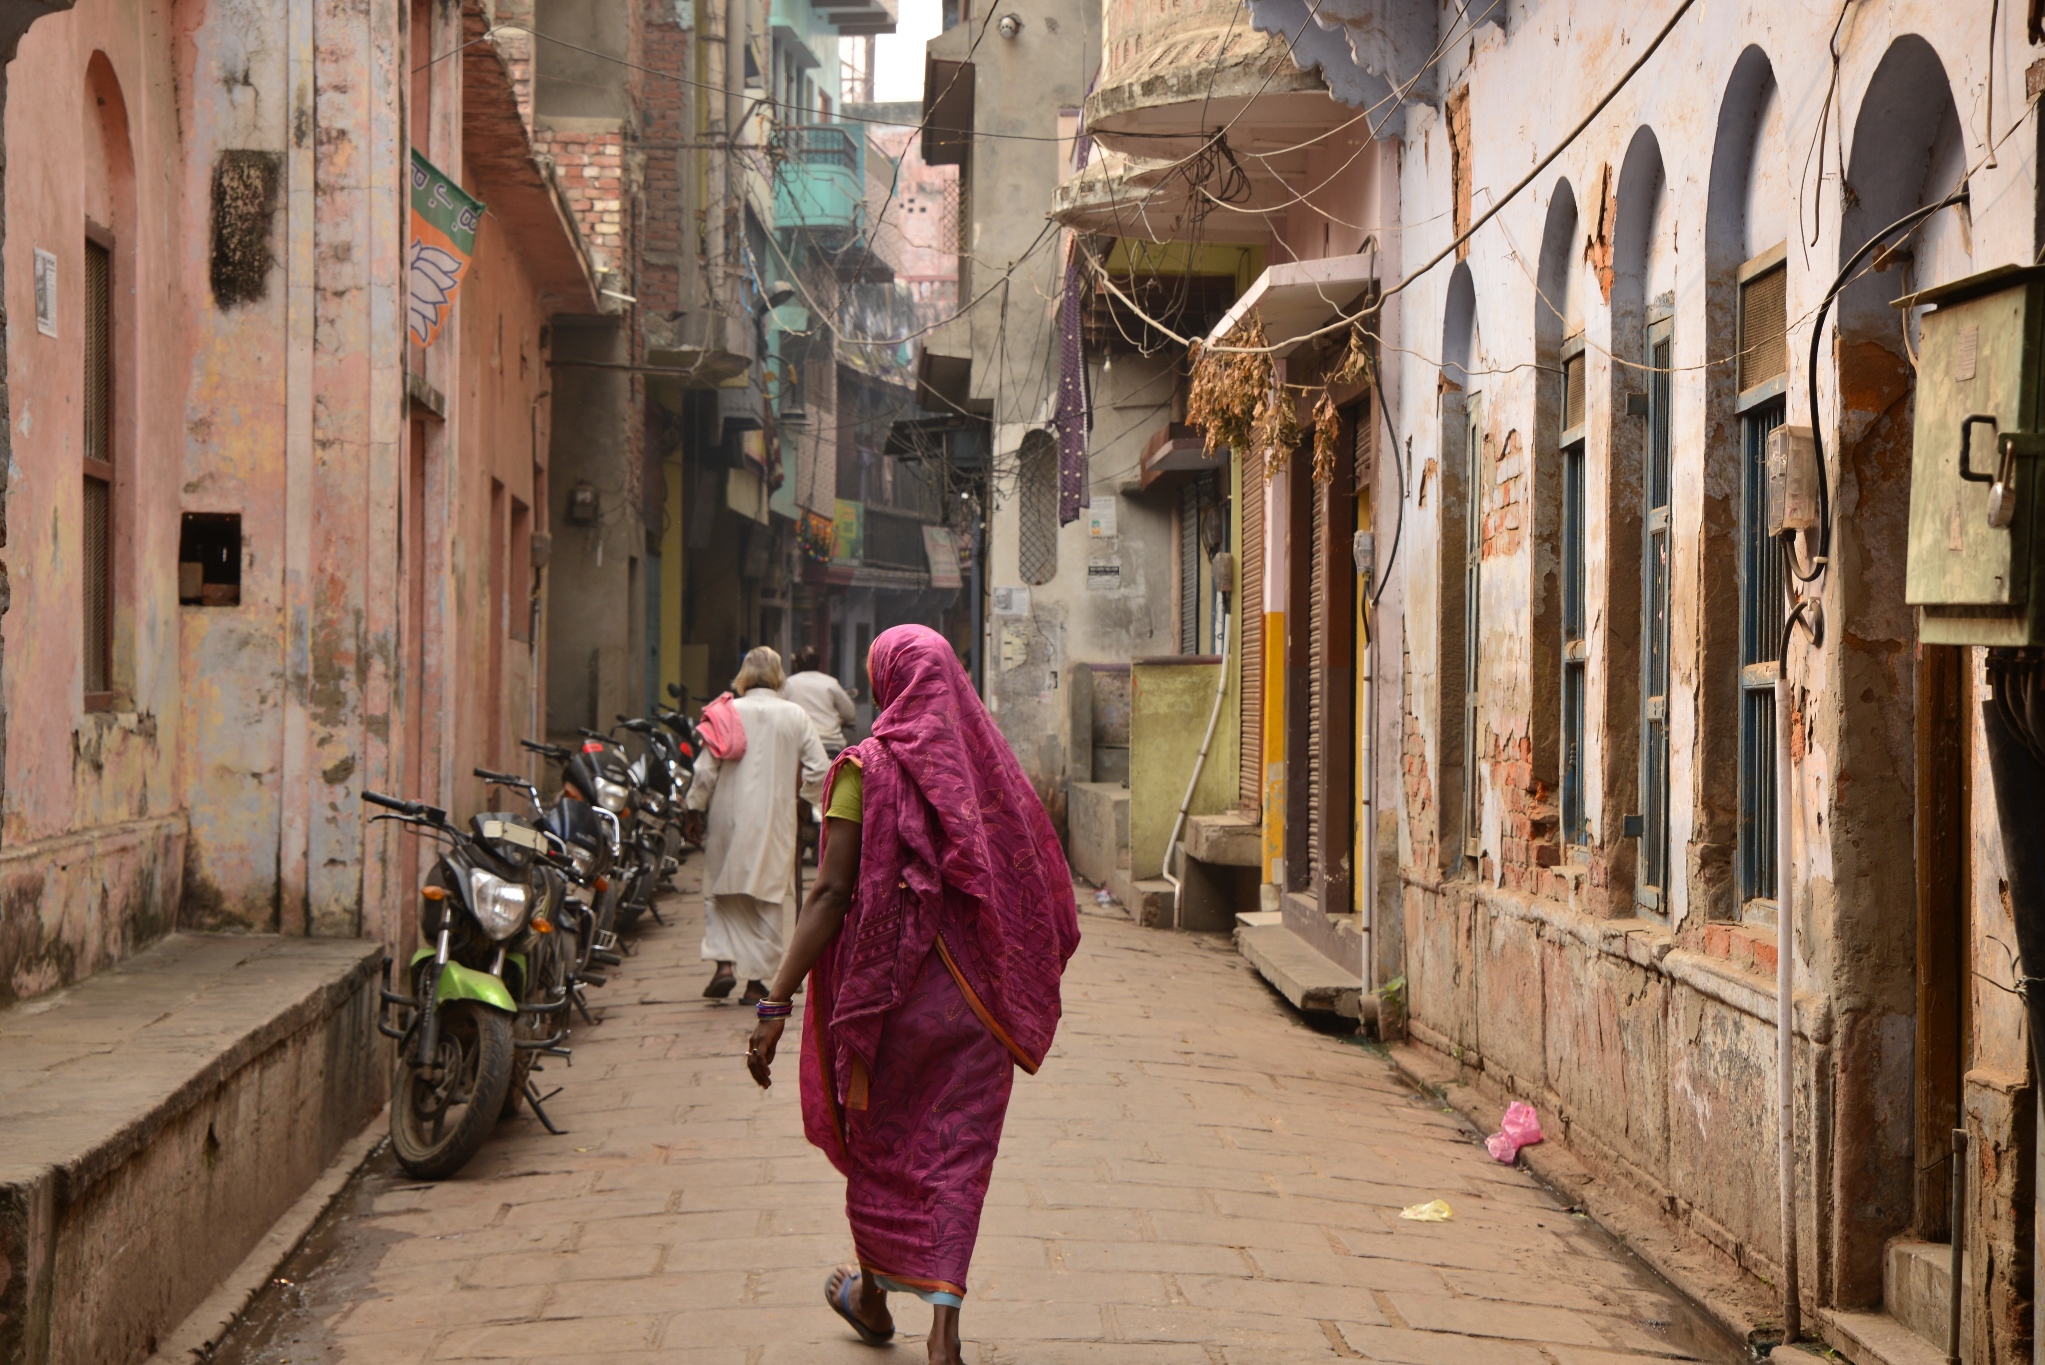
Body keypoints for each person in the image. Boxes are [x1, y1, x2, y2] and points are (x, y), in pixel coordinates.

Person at [745, 625, 1081, 1364]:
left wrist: (775, 1002)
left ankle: (870, 1295)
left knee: (884, 1147)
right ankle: (942, 1331)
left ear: (885, 683)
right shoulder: (989, 775)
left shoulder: (862, 769)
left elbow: (830, 893)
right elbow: (1040, 880)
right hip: (978, 1003)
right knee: (956, 1157)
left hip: (889, 1000)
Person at [685, 646, 828, 1003]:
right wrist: (807, 802)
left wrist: (692, 808)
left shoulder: (726, 711)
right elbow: (820, 769)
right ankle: (757, 984)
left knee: (721, 894)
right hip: (775, 821)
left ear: (744, 675)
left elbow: (705, 771)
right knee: (770, 900)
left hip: (727, 820)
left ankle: (724, 965)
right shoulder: (795, 715)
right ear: (779, 675)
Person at [780, 645, 858, 756]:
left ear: (796, 664)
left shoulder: (788, 684)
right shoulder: (831, 683)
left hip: (798, 744)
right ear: (819, 663)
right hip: (830, 744)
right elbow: (850, 714)